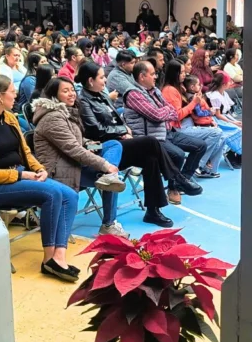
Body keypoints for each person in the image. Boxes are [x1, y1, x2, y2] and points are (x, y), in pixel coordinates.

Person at [78, 62, 201, 222]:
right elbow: (96, 130)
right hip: (100, 148)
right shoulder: (83, 101)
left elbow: (117, 120)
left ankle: (153, 211)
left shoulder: (102, 96)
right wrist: (121, 131)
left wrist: (125, 129)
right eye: (102, 77)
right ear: (90, 81)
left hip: (119, 143)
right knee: (151, 142)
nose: (105, 80)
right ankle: (177, 179)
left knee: (151, 158)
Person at [0, 74, 80, 283]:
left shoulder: (9, 118)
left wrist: (40, 169)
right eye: (12, 91)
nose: (16, 94)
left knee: (71, 196)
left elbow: (26, 152)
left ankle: (59, 255)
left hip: (20, 174)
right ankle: (49, 259)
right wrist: (21, 174)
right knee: (52, 193)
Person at [32, 76, 128, 238]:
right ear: (54, 95)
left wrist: (92, 145)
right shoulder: (52, 118)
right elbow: (73, 148)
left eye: (72, 90)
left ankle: (109, 178)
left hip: (75, 161)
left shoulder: (66, 112)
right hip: (63, 169)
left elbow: (79, 141)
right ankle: (109, 224)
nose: (71, 94)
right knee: (110, 176)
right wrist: (104, 164)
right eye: (65, 91)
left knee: (112, 144)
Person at [123, 61, 210, 191]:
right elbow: (157, 115)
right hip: (151, 138)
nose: (156, 77)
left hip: (167, 131)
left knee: (201, 146)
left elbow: (173, 113)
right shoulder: (134, 94)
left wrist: (165, 112)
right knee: (178, 155)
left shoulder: (155, 91)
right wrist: (167, 111)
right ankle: (174, 186)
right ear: (142, 76)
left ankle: (181, 182)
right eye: (152, 74)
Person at [161, 60, 226, 178]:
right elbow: (177, 115)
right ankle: (199, 165)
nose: (184, 75)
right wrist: (194, 103)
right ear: (174, 74)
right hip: (179, 128)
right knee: (216, 133)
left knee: (222, 138)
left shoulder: (179, 88)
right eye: (181, 72)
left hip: (189, 124)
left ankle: (208, 170)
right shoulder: (170, 90)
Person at [201, 72, 243, 167]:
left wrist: (234, 120)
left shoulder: (223, 93)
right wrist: (233, 122)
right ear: (223, 84)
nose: (231, 83)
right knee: (238, 130)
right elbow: (218, 115)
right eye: (229, 81)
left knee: (241, 127)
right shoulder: (215, 96)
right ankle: (232, 155)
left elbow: (227, 112)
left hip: (225, 118)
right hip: (217, 121)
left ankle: (238, 154)